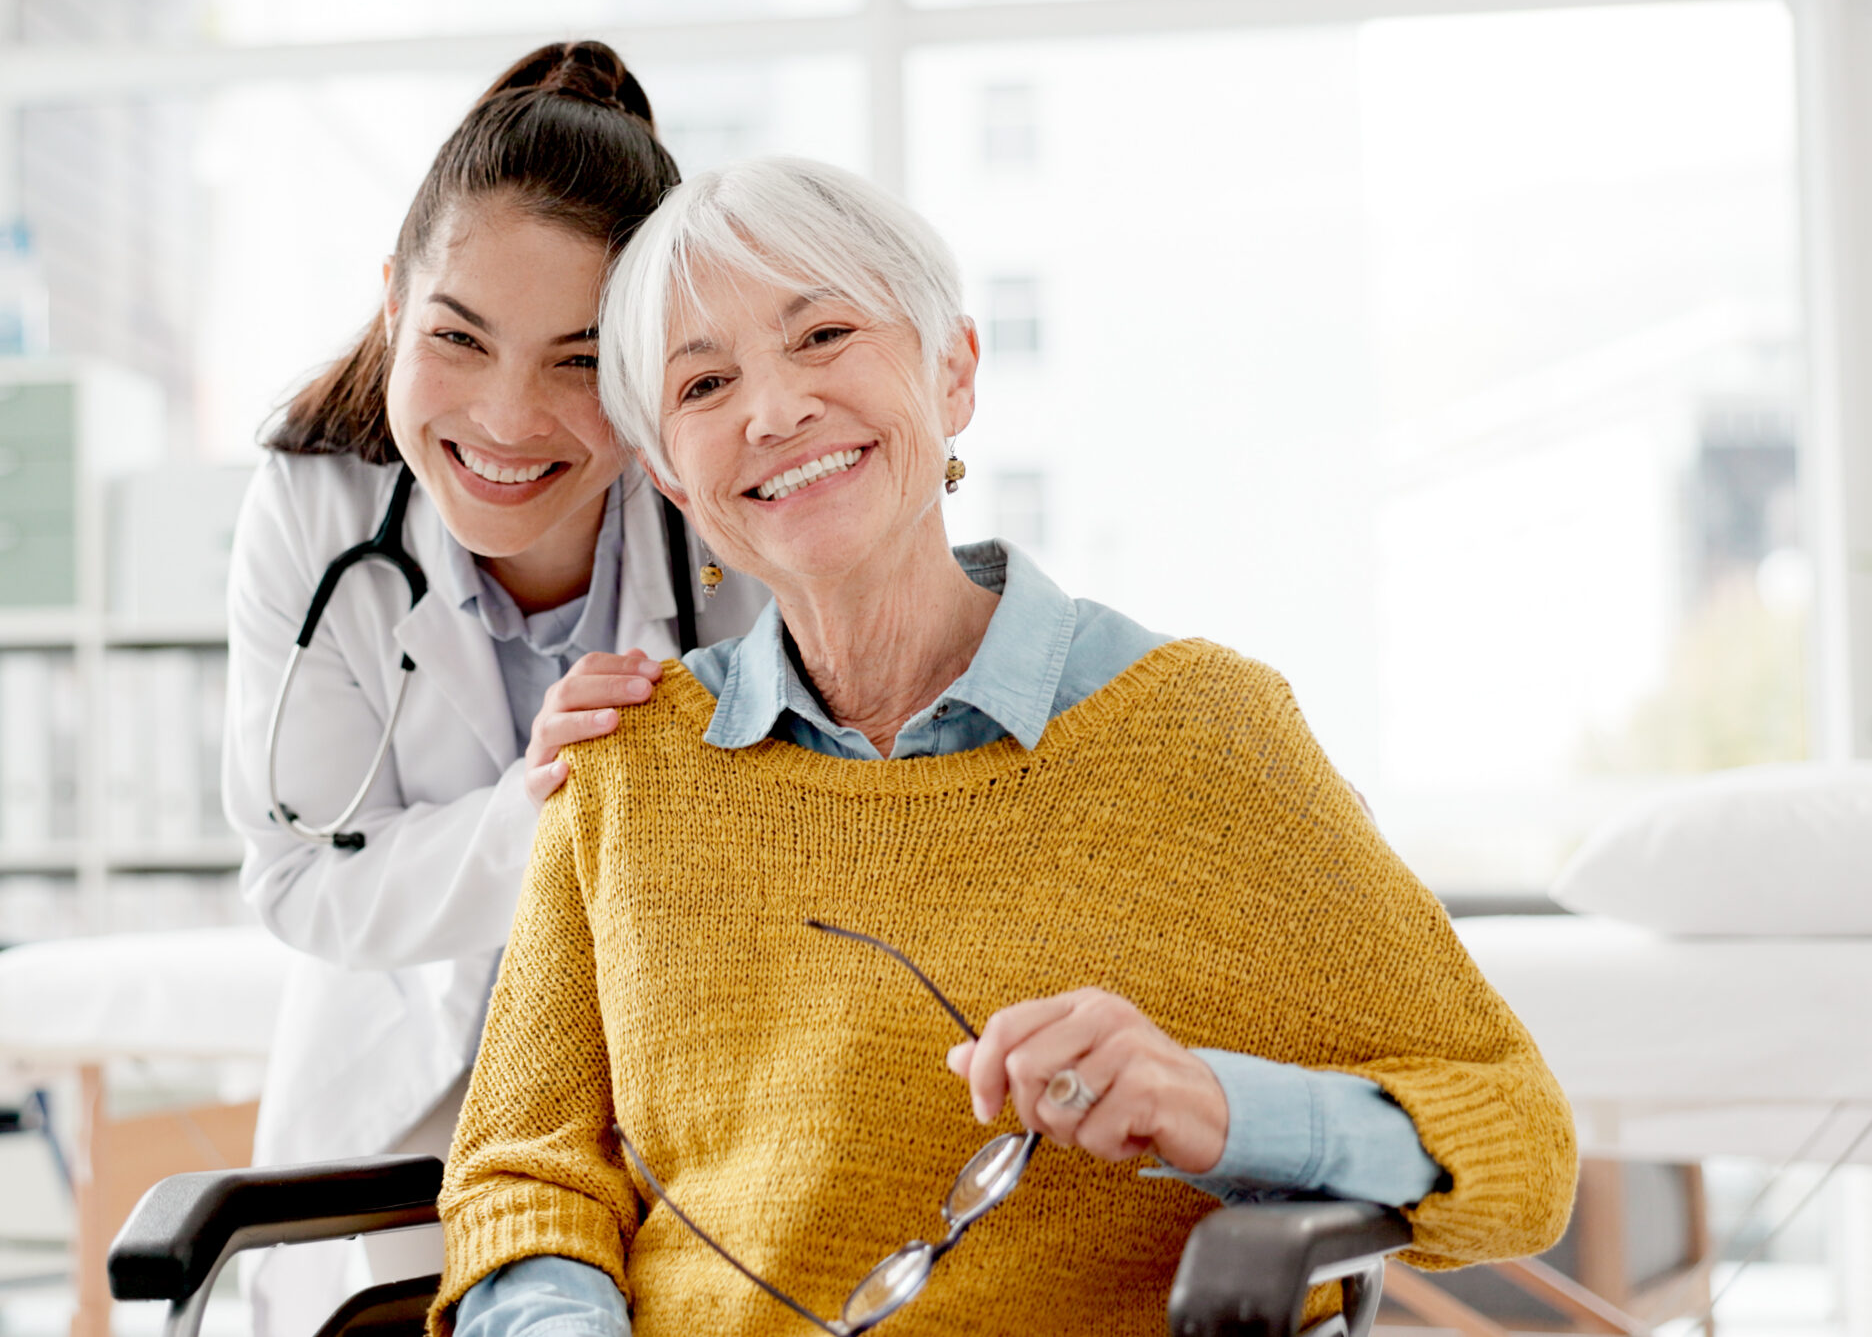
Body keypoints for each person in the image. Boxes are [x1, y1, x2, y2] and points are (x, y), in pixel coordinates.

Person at [432, 156, 1575, 1336]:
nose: (772, 412)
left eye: (823, 334)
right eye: (705, 383)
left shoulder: (1203, 735)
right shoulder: (628, 764)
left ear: (953, 372)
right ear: (671, 474)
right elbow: (525, 1174)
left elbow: (1521, 1144)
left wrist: (1219, 1110)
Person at [220, 42, 770, 1333]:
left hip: (679, 1116)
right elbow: (301, 875)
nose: (509, 419)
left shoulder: (729, 514)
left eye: (581, 361)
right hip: (387, 1118)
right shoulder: (315, 503)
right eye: (459, 338)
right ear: (395, 305)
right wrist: (548, 805)